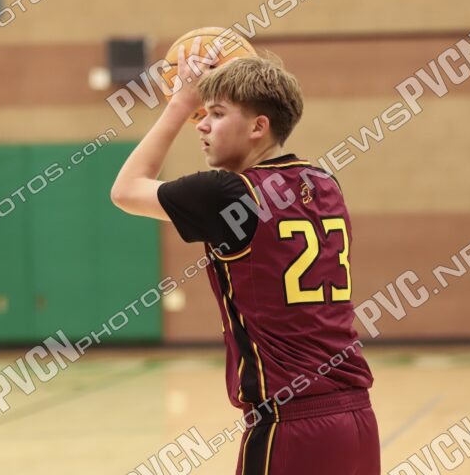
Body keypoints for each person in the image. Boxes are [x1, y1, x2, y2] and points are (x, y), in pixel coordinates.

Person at [111, 38, 380, 474]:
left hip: (290, 425)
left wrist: (180, 102)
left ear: (258, 127)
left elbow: (125, 190)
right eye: (201, 113)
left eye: (216, 114)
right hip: (358, 419)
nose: (202, 124)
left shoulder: (230, 194)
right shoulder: (325, 183)